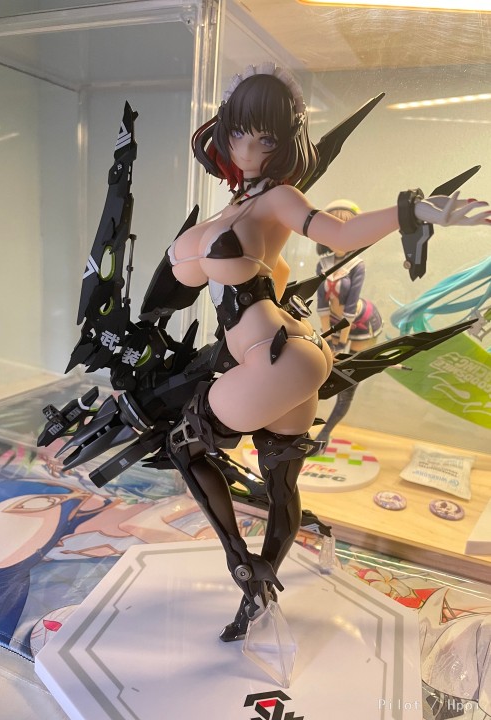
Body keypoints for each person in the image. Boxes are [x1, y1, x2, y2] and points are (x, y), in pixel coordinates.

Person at [164, 62, 490, 641]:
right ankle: (262, 585)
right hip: (290, 353)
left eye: (267, 138)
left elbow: (338, 233)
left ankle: (244, 567)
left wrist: (415, 210)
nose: (250, 148)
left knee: (184, 446)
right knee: (281, 483)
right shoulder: (240, 206)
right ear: (224, 131)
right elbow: (183, 276)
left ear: (286, 143)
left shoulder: (279, 198)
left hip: (273, 354)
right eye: (240, 132)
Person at [314, 199, 383, 445]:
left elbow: (351, 306)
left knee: (347, 384)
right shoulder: (323, 265)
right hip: (334, 323)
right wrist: (328, 339)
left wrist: (341, 343)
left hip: (362, 323)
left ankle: (325, 433)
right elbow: (322, 305)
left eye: (347, 229)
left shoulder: (356, 265)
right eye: (333, 228)